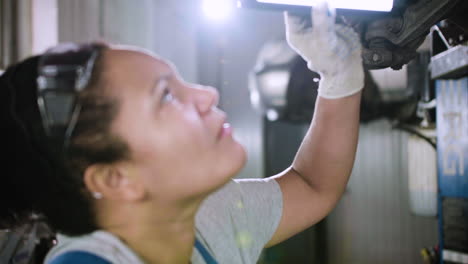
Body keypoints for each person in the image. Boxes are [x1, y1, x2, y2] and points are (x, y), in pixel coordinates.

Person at [0, 2, 364, 264]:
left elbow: (313, 184)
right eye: (167, 96)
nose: (208, 95)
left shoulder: (202, 218)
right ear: (115, 178)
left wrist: (338, 76)